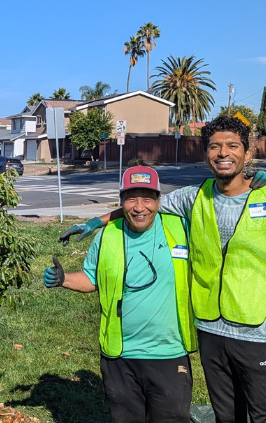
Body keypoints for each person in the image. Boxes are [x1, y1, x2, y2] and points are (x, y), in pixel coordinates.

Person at [60, 117, 266, 423]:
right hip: (211, 333)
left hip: (261, 334)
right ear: (206, 154)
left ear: (247, 152)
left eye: (232, 145)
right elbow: (142, 204)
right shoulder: (194, 197)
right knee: (227, 418)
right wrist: (98, 221)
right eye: (215, 146)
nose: (223, 153)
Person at [44, 165, 197, 423]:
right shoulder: (107, 236)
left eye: (148, 198)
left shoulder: (181, 227)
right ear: (121, 201)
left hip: (170, 352)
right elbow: (92, 279)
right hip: (121, 356)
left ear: (160, 201)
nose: (139, 207)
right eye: (131, 199)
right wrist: (64, 279)